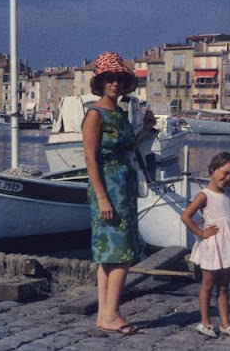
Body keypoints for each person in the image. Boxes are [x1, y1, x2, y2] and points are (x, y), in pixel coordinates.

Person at [82, 51, 155, 335]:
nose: (114, 83)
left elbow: (125, 148)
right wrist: (101, 197)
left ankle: (105, 314)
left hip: (123, 185)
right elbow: (90, 159)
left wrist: (145, 130)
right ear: (100, 83)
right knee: (122, 253)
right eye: (109, 79)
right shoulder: (94, 114)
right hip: (107, 185)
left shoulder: (119, 114)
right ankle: (112, 313)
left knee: (110, 255)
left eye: (119, 79)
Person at [180, 152, 230, 338]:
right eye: (224, 173)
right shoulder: (204, 195)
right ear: (212, 170)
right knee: (207, 285)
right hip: (212, 245)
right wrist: (201, 233)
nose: (227, 178)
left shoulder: (228, 194)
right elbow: (186, 216)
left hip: (226, 246)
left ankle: (225, 323)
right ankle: (205, 322)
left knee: (225, 286)